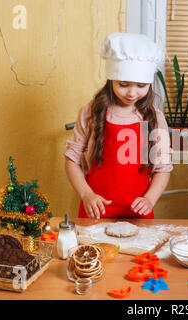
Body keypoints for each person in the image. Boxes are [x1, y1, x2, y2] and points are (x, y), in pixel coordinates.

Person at [65, 33, 172, 219]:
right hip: (95, 211)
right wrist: (86, 194)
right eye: (123, 84)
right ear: (111, 80)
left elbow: (163, 168)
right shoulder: (92, 111)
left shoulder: (154, 118)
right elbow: (72, 160)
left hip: (138, 214)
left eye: (141, 85)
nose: (131, 93)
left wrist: (150, 199)